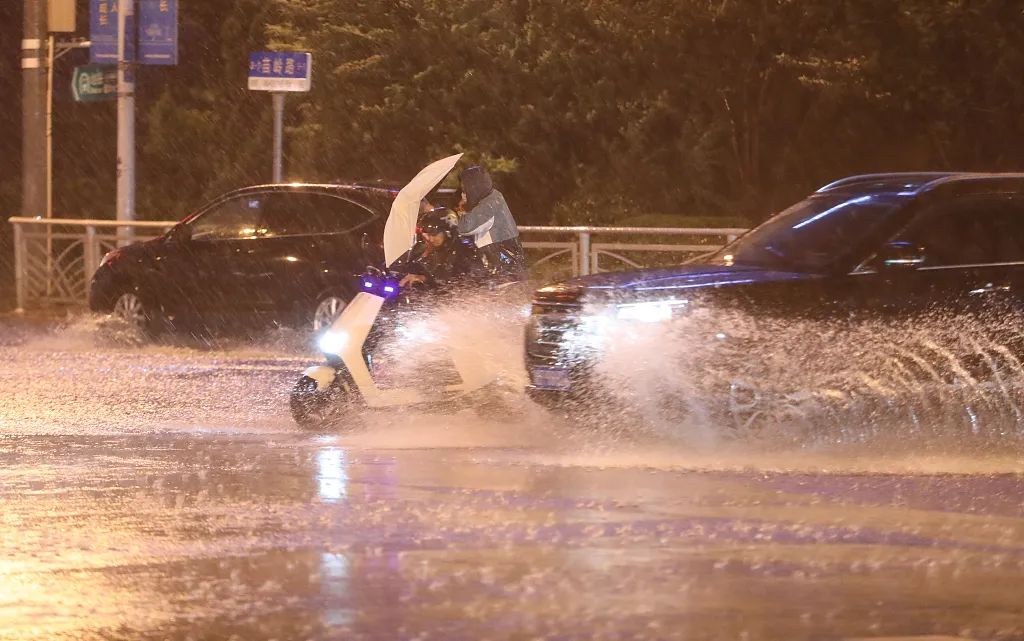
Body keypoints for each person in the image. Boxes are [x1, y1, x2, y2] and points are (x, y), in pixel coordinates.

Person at [455, 166, 527, 280]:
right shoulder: (492, 197)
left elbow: (465, 227)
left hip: (505, 267)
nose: (463, 193)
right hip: (505, 265)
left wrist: (460, 211)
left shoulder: (489, 205)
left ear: (474, 186)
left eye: (465, 189)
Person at [398, 208, 488, 288]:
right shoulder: (427, 247)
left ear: (447, 232)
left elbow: (466, 282)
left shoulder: (466, 249)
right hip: (429, 300)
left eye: (433, 233)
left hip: (460, 302)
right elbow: (410, 268)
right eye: (427, 234)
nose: (429, 238)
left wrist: (425, 279)